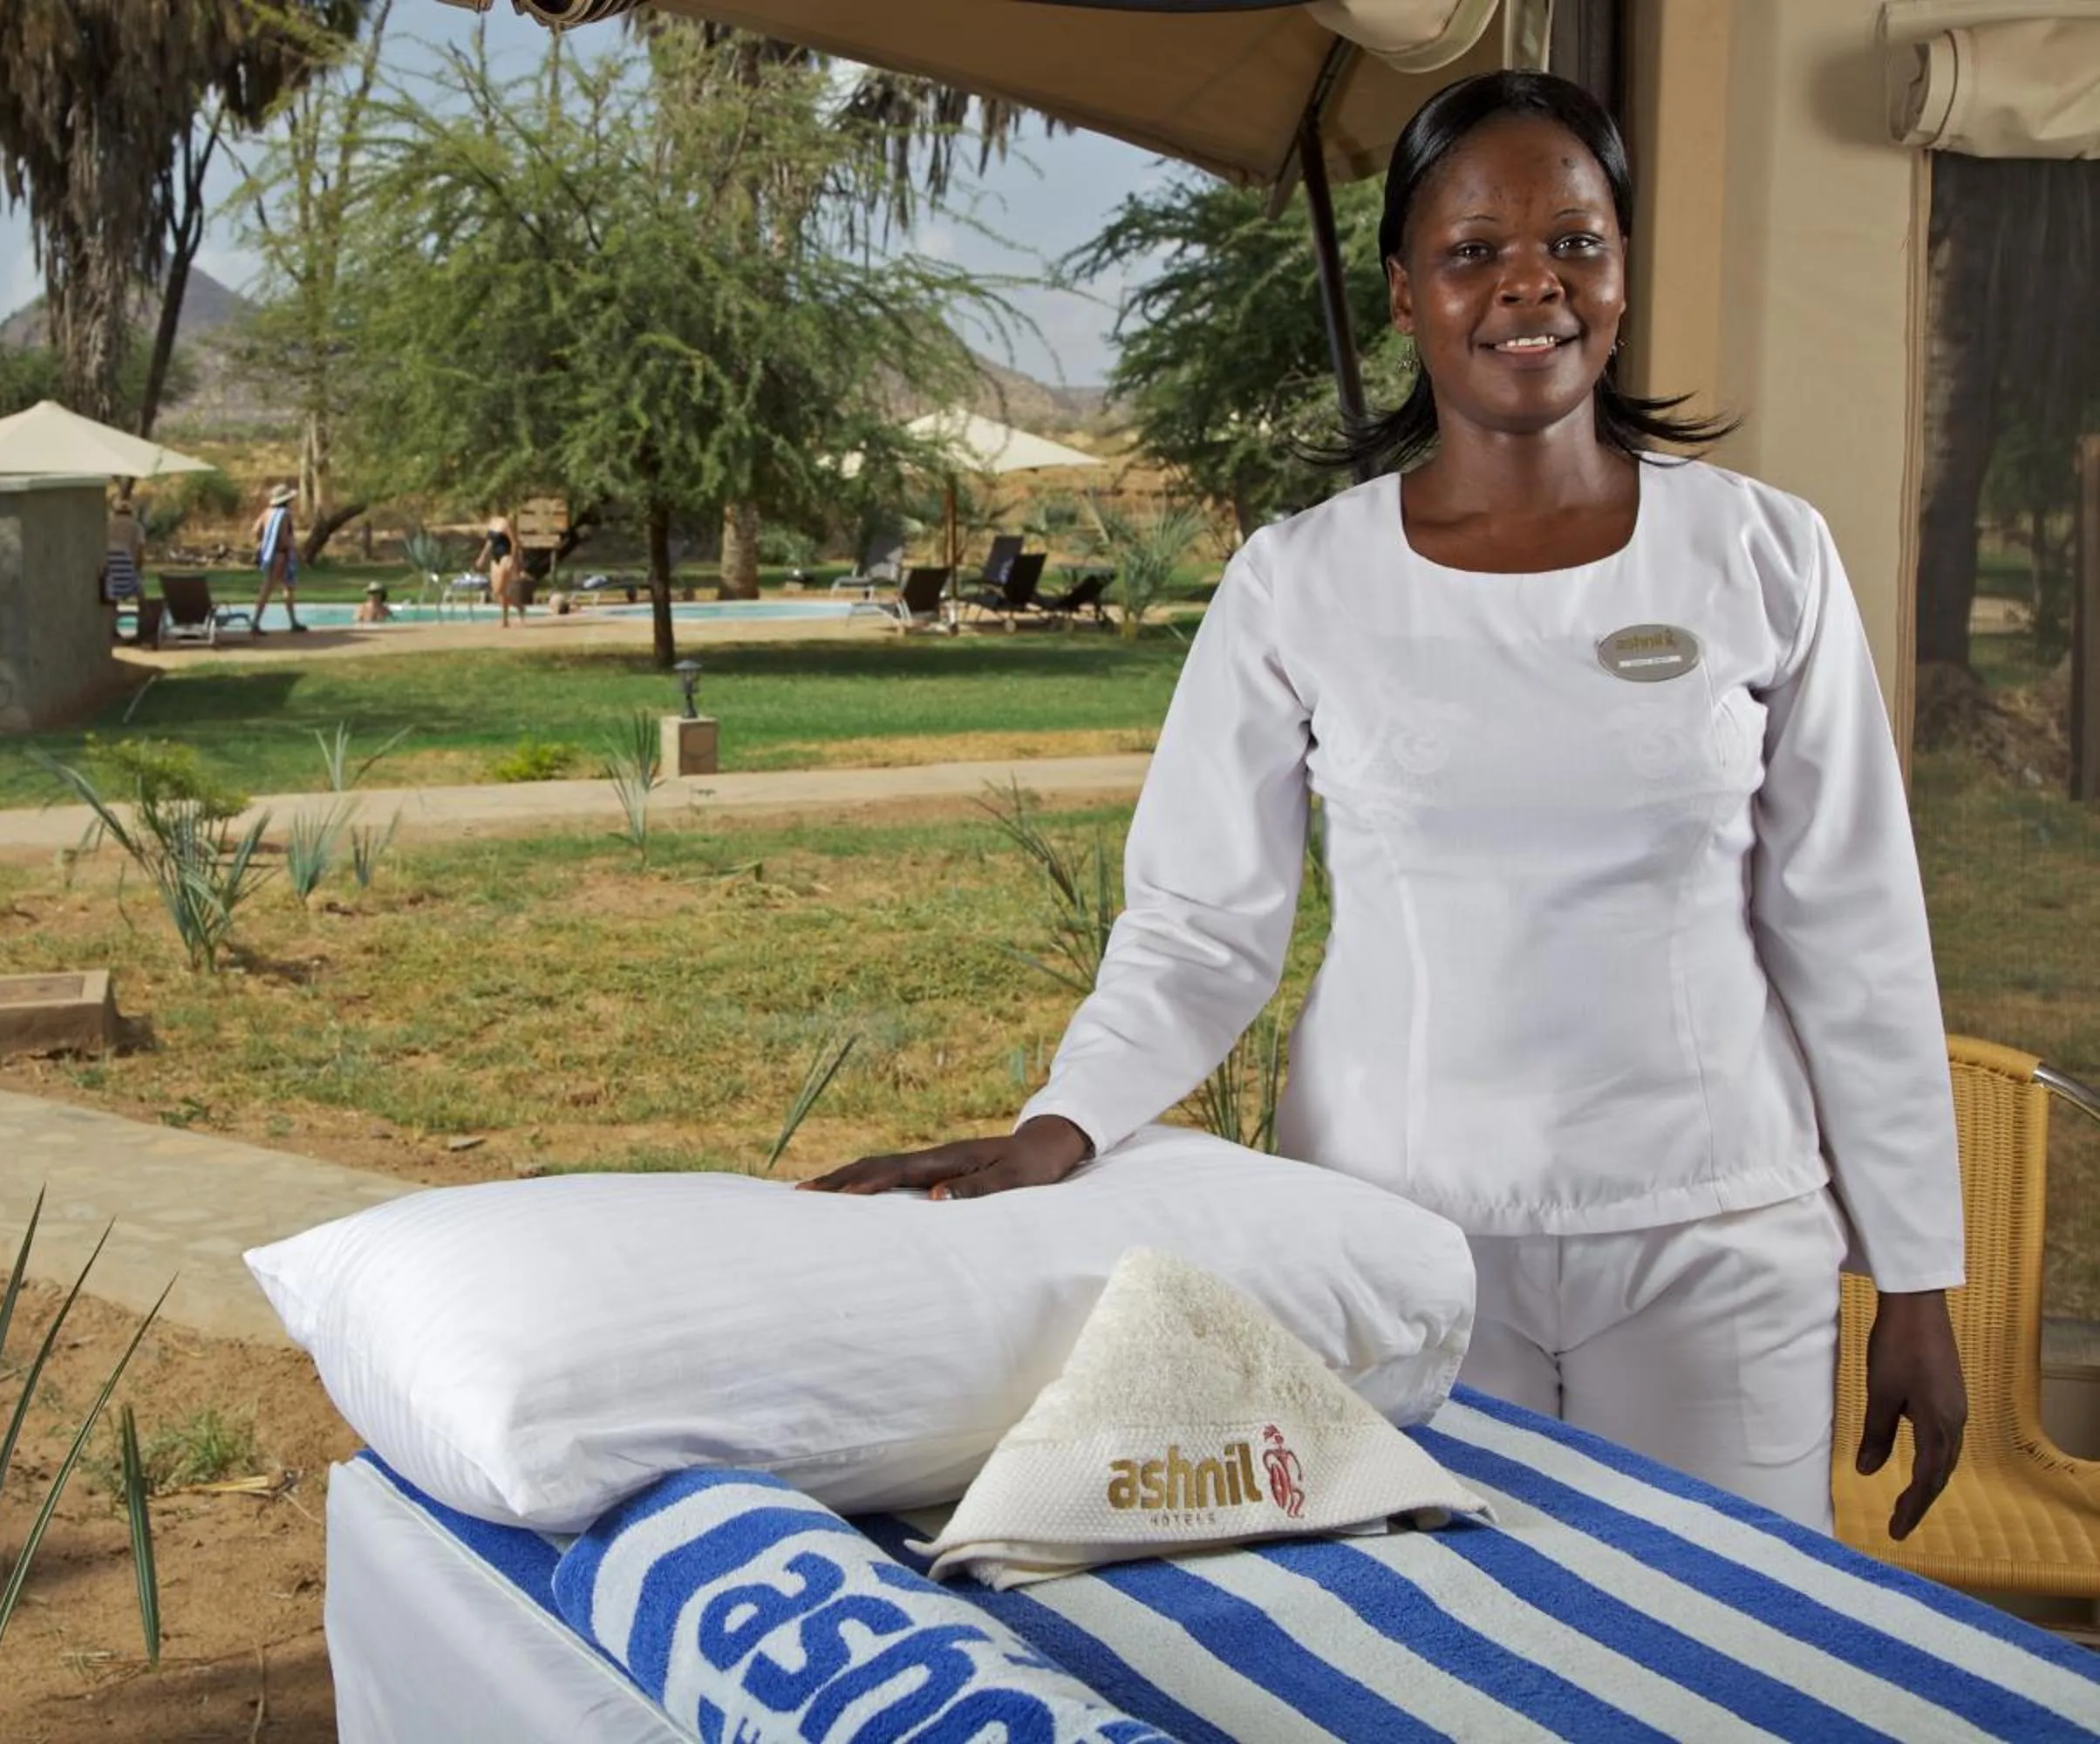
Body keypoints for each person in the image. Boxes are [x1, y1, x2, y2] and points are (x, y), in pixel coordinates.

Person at [802, 70, 1968, 1541]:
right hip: (1390, 1238)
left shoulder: (1761, 554)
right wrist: (1066, 1121)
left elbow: (1853, 928)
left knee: (1718, 1660)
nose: (1529, 284)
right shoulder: (1303, 580)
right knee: (1438, 1659)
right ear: (1408, 292)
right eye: (1475, 252)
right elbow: (1199, 927)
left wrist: (1920, 1277)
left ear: (1620, 276)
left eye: (1576, 242)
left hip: (1716, 1236)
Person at [249, 483, 309, 635]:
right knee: (276, 587)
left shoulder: (266, 513)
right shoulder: (284, 514)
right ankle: (256, 623)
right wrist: (295, 551)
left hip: (270, 554)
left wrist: (261, 544)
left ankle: (291, 622)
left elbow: (255, 530)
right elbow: (284, 538)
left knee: (283, 587)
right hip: (281, 555)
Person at [102, 481, 146, 613]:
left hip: (110, 577)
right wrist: (137, 571)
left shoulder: (107, 526)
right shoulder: (136, 527)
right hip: (127, 573)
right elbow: (140, 553)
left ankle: (113, 623)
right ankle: (144, 620)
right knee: (140, 589)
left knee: (111, 590)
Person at [477, 514, 525, 627]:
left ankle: (514, 611)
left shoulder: (505, 524)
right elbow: (489, 542)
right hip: (495, 558)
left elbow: (514, 543)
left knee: (500, 588)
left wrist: (513, 560)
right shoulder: (491, 523)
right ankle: (510, 614)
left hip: (506, 556)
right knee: (498, 592)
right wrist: (482, 557)